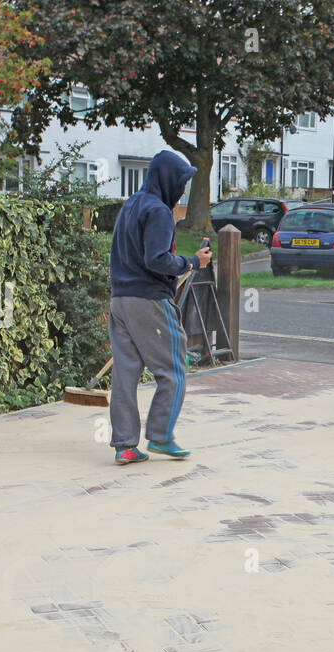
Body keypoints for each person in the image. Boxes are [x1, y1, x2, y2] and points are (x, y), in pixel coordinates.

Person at [107, 149, 212, 465]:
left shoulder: (130, 205)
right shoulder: (159, 211)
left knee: (125, 372)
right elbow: (157, 259)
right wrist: (193, 262)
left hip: (119, 300)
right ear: (167, 180)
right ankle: (161, 436)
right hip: (149, 301)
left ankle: (125, 445)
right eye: (181, 182)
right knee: (173, 368)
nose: (183, 190)